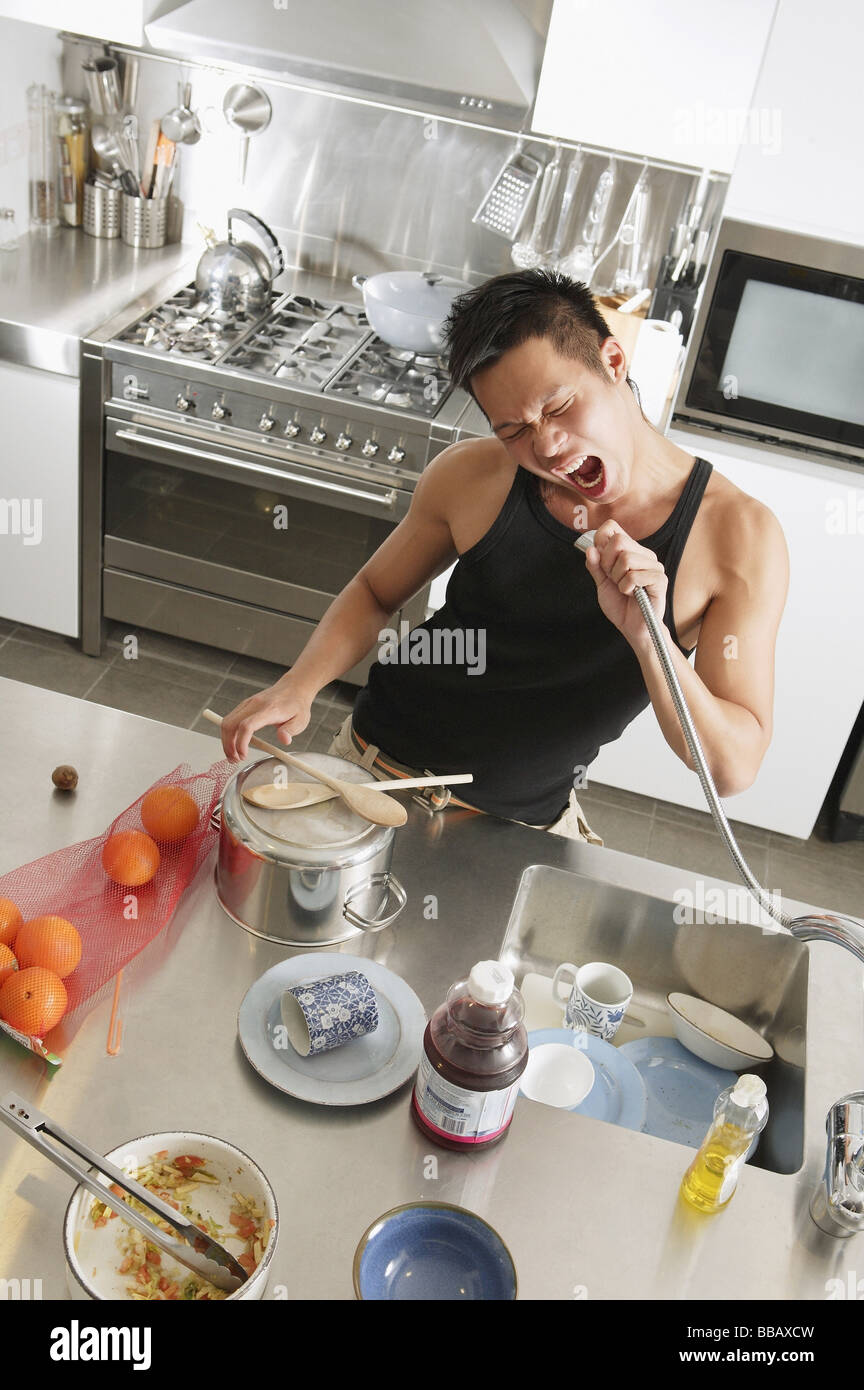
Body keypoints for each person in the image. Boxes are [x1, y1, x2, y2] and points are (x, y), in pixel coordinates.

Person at [219, 271, 789, 843]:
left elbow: (731, 767)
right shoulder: (473, 476)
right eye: (514, 429)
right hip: (367, 772)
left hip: (522, 825)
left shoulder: (737, 536)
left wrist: (650, 638)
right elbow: (376, 593)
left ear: (613, 362)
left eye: (561, 406)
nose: (545, 446)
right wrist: (299, 684)